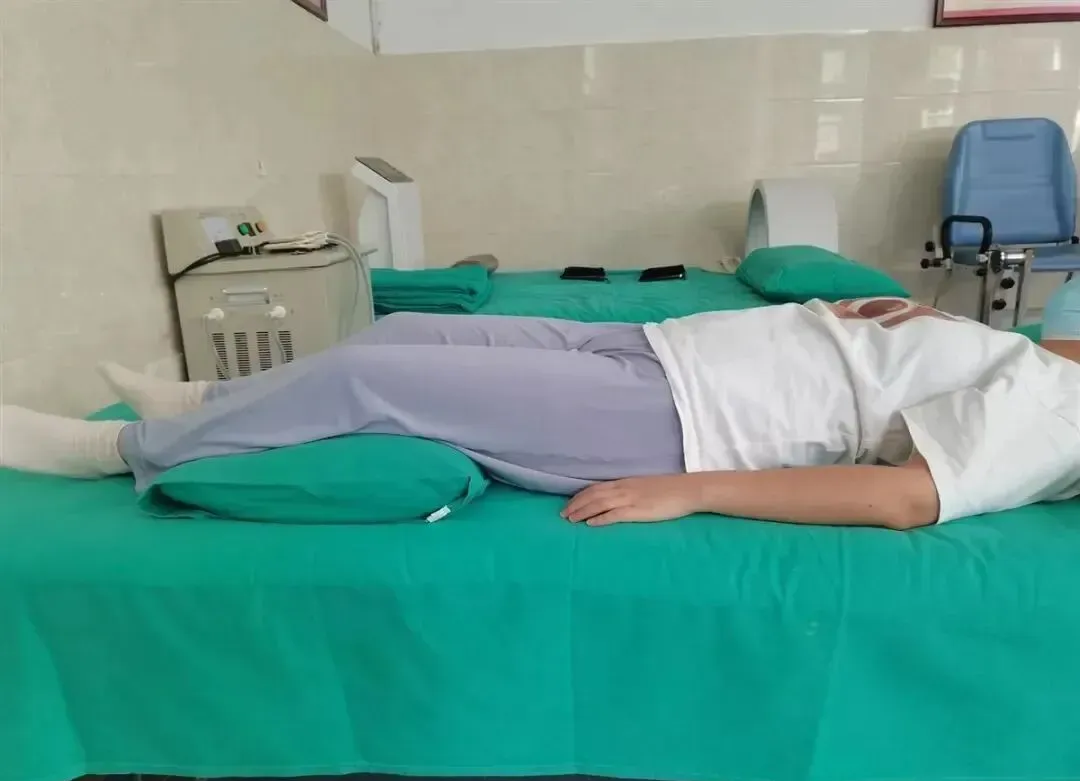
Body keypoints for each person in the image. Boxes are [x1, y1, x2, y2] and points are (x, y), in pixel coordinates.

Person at [4, 289, 1080, 530]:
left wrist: (695, 491)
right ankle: (213, 398)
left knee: (368, 384)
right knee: (399, 333)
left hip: (686, 417)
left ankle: (116, 448)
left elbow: (907, 497)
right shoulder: (1053, 363)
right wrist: (915, 325)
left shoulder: (1067, 416)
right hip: (675, 348)